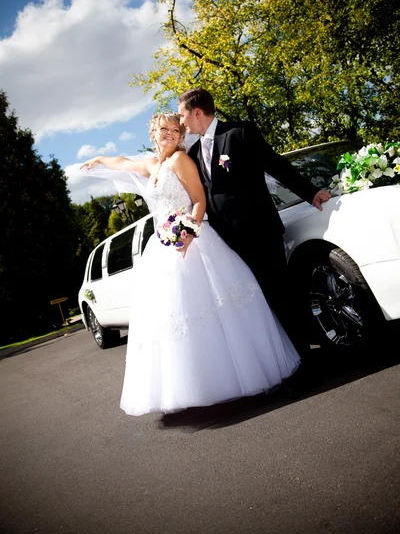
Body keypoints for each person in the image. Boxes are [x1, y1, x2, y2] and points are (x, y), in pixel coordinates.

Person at [81, 112, 302, 416]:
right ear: (153, 135)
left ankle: (238, 377)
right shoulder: (150, 165)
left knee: (213, 310)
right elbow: (122, 162)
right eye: (164, 130)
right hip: (161, 248)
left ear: (181, 135)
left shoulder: (181, 161)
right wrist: (100, 159)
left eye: (175, 129)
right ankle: (194, 384)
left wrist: (188, 232)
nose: (170, 134)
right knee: (175, 316)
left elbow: (199, 199)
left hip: (194, 242)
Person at [178, 89, 331, 384]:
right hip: (228, 245)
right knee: (258, 305)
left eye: (183, 114)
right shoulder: (194, 154)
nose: (183, 121)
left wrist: (310, 192)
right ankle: (285, 365)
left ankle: (308, 364)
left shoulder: (239, 133)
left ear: (197, 112)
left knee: (280, 295)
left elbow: (275, 164)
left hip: (260, 232)